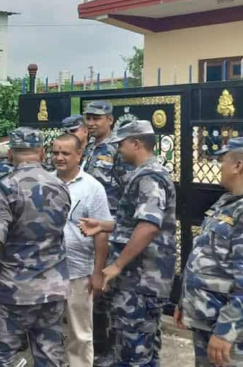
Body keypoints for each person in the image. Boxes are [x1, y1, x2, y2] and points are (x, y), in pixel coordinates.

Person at [176, 137, 243, 366]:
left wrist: (226, 331)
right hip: (209, 322)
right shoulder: (229, 203)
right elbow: (206, 256)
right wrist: (184, 303)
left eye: (223, 161)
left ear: (238, 166)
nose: (220, 167)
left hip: (238, 337)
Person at [0, 127, 71, 367]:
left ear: (10, 154)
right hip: (53, 289)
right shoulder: (60, 186)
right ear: (42, 152)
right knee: (49, 356)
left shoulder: (7, 187)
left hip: (14, 290)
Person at [81, 120, 176, 366]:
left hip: (140, 280)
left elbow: (149, 226)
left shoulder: (150, 177)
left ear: (136, 144)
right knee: (143, 353)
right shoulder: (143, 174)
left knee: (133, 355)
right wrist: (104, 225)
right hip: (139, 280)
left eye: (121, 144)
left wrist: (117, 265)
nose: (118, 150)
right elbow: (136, 223)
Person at [49, 133, 112, 367]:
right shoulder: (45, 182)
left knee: (80, 333)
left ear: (79, 155)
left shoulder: (92, 188)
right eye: (55, 152)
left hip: (78, 271)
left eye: (65, 153)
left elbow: (101, 232)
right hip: (46, 270)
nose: (59, 157)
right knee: (47, 331)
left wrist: (98, 272)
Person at [79, 101, 131, 366]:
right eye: (88, 118)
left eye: (97, 118)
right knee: (93, 289)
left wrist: (114, 225)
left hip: (109, 230)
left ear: (110, 120)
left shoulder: (117, 150)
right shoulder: (90, 148)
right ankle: (97, 346)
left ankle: (109, 350)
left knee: (107, 291)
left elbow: (128, 193)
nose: (91, 123)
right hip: (89, 229)